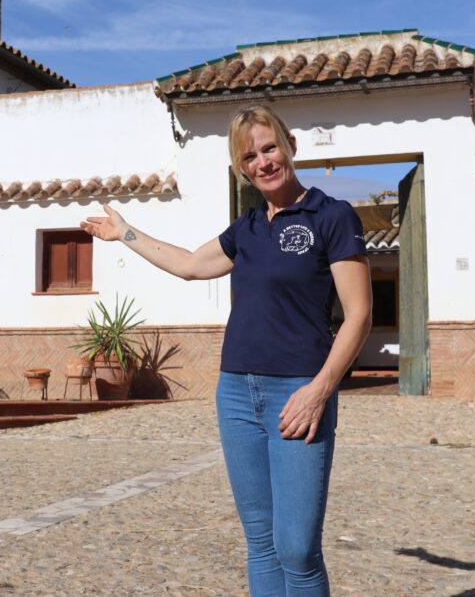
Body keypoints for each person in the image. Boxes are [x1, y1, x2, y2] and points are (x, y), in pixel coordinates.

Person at [80, 104, 372, 596]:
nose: (263, 162)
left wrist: (319, 390)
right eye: (249, 157)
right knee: (260, 543)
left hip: (298, 391)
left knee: (297, 549)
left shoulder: (332, 216)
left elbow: (359, 315)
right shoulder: (248, 227)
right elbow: (190, 265)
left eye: (269, 148)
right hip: (236, 393)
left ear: (291, 145)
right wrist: (124, 232)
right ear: (241, 169)